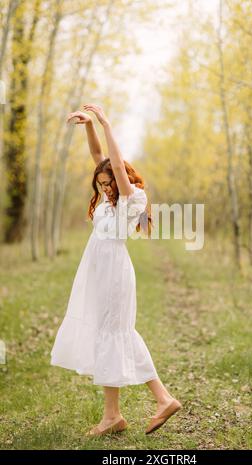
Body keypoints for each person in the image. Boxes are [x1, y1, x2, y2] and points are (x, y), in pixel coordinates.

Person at [50, 103, 182, 436]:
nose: (105, 187)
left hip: (114, 273)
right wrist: (89, 126)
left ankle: (147, 404)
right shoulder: (109, 197)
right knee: (110, 335)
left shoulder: (130, 196)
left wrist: (107, 123)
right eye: (102, 183)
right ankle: (121, 413)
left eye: (109, 182)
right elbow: (99, 156)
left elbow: (116, 168)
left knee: (114, 334)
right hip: (100, 269)